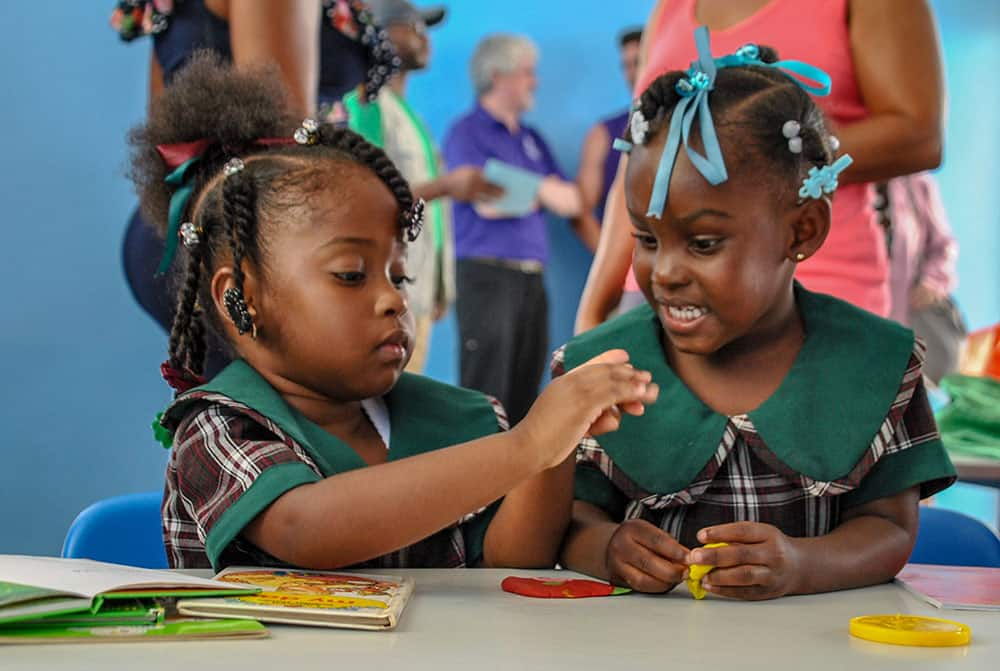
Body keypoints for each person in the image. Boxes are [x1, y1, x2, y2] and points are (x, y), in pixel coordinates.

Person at [132, 53, 658, 570]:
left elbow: (513, 556)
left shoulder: (461, 418)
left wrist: (555, 445)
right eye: (350, 275)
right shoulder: (219, 430)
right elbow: (305, 528)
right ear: (240, 298)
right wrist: (526, 446)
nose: (394, 299)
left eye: (399, 275)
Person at [555, 29, 955, 600]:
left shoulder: (877, 362)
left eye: (703, 243)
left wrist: (802, 564)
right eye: (646, 237)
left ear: (803, 230)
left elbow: (890, 527)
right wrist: (606, 548)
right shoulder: (600, 368)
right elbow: (569, 521)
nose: (664, 271)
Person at [575, 0, 945, 332]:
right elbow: (639, 161)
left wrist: (751, 154)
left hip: (810, 287)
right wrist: (593, 311)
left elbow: (917, 136)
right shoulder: (670, 8)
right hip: (661, 295)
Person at [113, 0, 399, 376]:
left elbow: (164, 131)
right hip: (249, 238)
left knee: (243, 421)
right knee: (288, 425)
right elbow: (282, 149)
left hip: (195, 229)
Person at [344, 0, 502, 373]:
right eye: (412, 25)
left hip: (416, 290)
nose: (424, 36)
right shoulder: (369, 103)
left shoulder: (407, 114)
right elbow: (365, 192)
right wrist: (448, 185)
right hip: (387, 288)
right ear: (380, 33)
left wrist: (439, 285)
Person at [443, 33, 583, 423]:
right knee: (486, 393)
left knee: (525, 393)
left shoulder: (532, 138)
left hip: (531, 280)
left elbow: (572, 201)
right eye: (527, 72)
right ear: (497, 75)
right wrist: (541, 188)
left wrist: (517, 187)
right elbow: (487, 201)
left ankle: (516, 484)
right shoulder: (466, 132)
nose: (534, 81)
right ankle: (479, 483)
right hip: (486, 276)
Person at [883, 171, 964, 383]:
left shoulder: (916, 183)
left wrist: (933, 282)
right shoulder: (835, 180)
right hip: (862, 327)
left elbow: (943, 246)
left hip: (913, 323)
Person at [572, 27, 642, 253]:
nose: (632, 73)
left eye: (639, 62)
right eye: (626, 65)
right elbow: (580, 213)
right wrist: (615, 268)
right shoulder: (603, 134)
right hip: (631, 277)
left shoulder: (692, 126)